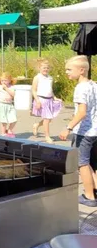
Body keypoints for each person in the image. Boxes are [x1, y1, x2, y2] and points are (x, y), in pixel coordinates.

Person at [59, 56, 97, 206]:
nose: (66, 72)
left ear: (81, 70)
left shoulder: (80, 88)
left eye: (69, 69)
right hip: (95, 131)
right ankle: (94, 190)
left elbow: (82, 112)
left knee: (82, 164)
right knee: (93, 164)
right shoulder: (94, 85)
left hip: (84, 132)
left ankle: (89, 196)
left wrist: (68, 127)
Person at [31, 59, 62, 144]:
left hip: (49, 100)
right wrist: (37, 101)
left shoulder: (50, 78)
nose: (46, 69)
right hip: (41, 99)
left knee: (49, 118)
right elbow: (33, 90)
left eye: (47, 68)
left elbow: (50, 89)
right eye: (44, 68)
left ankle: (37, 125)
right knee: (47, 119)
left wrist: (54, 97)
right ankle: (47, 136)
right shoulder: (37, 77)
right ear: (39, 68)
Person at [0, 73, 17, 137]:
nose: (3, 82)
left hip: (10, 105)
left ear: (9, 80)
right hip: (1, 104)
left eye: (5, 80)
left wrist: (6, 88)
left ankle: (9, 129)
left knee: (14, 119)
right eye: (2, 80)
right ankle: (3, 133)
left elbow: (13, 95)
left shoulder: (12, 87)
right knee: (4, 121)